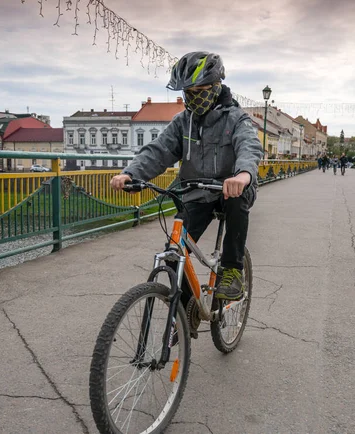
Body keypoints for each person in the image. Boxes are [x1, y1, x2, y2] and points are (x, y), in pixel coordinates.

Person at [110, 51, 263, 300]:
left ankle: (233, 270)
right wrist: (131, 173)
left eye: (199, 91)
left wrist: (243, 175)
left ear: (216, 87)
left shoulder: (236, 119)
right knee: (174, 257)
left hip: (230, 189)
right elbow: (159, 151)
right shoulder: (183, 122)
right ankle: (182, 315)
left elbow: (249, 147)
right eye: (188, 93)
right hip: (197, 192)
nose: (193, 98)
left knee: (236, 201)